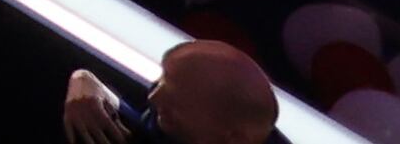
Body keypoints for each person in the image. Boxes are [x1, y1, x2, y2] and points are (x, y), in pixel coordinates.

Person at [62, 42, 280, 144]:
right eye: (161, 81)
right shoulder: (170, 121)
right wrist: (84, 81)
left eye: (180, 103)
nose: (153, 98)